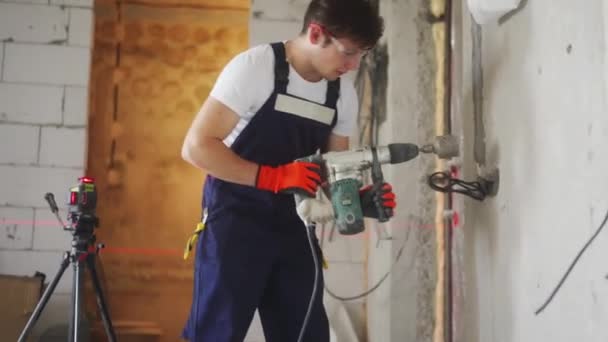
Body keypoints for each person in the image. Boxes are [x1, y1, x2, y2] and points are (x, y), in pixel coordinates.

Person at [180, 0, 394, 341]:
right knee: (216, 334)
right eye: (349, 52)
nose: (353, 65)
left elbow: (333, 169)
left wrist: (352, 200)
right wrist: (273, 177)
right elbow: (196, 147)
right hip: (235, 225)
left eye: (362, 55)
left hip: (295, 228)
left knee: (304, 335)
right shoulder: (255, 68)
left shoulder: (341, 94)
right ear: (315, 33)